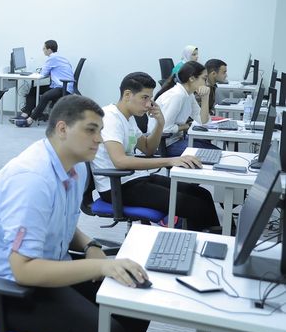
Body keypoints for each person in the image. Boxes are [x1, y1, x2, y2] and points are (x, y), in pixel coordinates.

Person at [0, 95, 149, 332]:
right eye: (90, 130)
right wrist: (101, 267)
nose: (99, 139)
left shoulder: (74, 166)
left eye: (100, 131)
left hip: (44, 266)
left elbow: (61, 221)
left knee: (134, 307)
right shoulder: (33, 178)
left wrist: (89, 246)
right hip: (0, 286)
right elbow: (23, 270)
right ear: (62, 129)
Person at [92, 72, 220, 232]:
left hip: (134, 178)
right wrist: (170, 160)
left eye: (150, 98)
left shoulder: (128, 118)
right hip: (117, 187)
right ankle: (206, 241)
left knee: (202, 194)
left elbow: (148, 149)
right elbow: (120, 161)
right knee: (194, 206)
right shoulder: (110, 118)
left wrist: (160, 123)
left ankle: (222, 238)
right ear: (127, 95)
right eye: (144, 98)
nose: (148, 104)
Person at [152, 61, 214, 156]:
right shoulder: (177, 96)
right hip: (166, 145)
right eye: (204, 79)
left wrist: (205, 97)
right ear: (192, 78)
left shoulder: (188, 94)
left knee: (216, 151)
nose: (206, 83)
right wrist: (186, 126)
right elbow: (165, 129)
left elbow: (203, 121)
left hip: (178, 139)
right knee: (211, 153)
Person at [18, 40, 75, 126]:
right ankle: (26, 113)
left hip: (63, 87)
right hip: (60, 85)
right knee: (33, 90)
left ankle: (30, 120)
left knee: (45, 96)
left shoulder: (52, 58)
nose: (43, 50)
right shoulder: (59, 57)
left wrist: (40, 72)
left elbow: (43, 73)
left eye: (44, 48)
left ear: (49, 50)